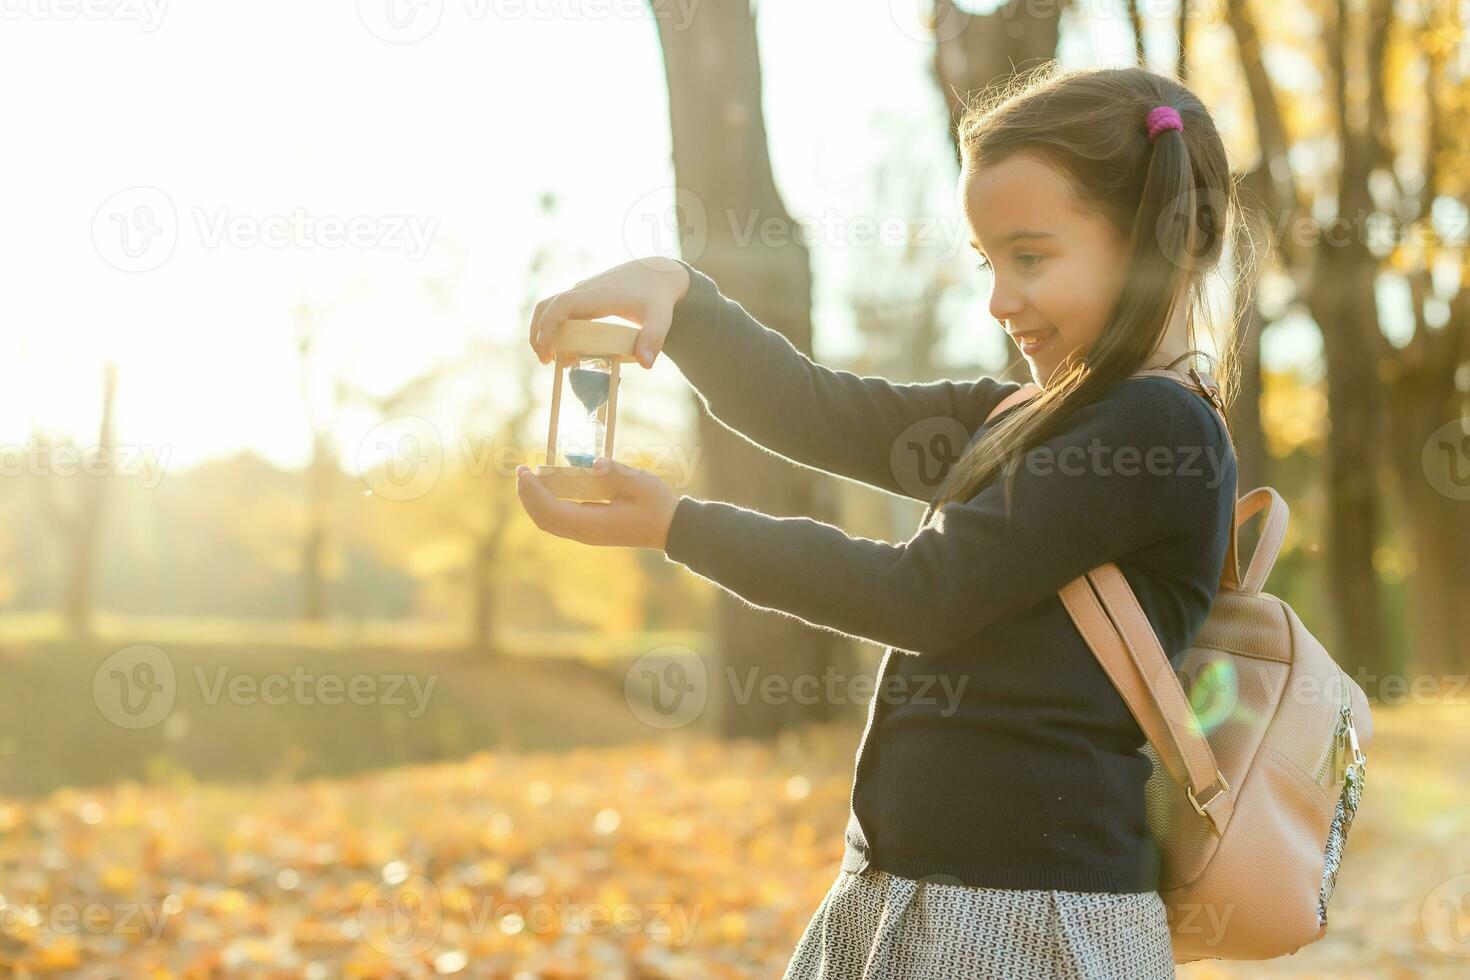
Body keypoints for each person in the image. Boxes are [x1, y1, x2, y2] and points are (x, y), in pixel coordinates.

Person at [518, 63, 1252, 979]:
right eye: (989, 264)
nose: (999, 301)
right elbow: (816, 409)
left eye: (1032, 257)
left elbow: (922, 594)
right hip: (912, 887)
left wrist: (680, 527)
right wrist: (682, 296)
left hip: (1025, 914)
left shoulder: (1157, 431)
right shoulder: (1023, 417)